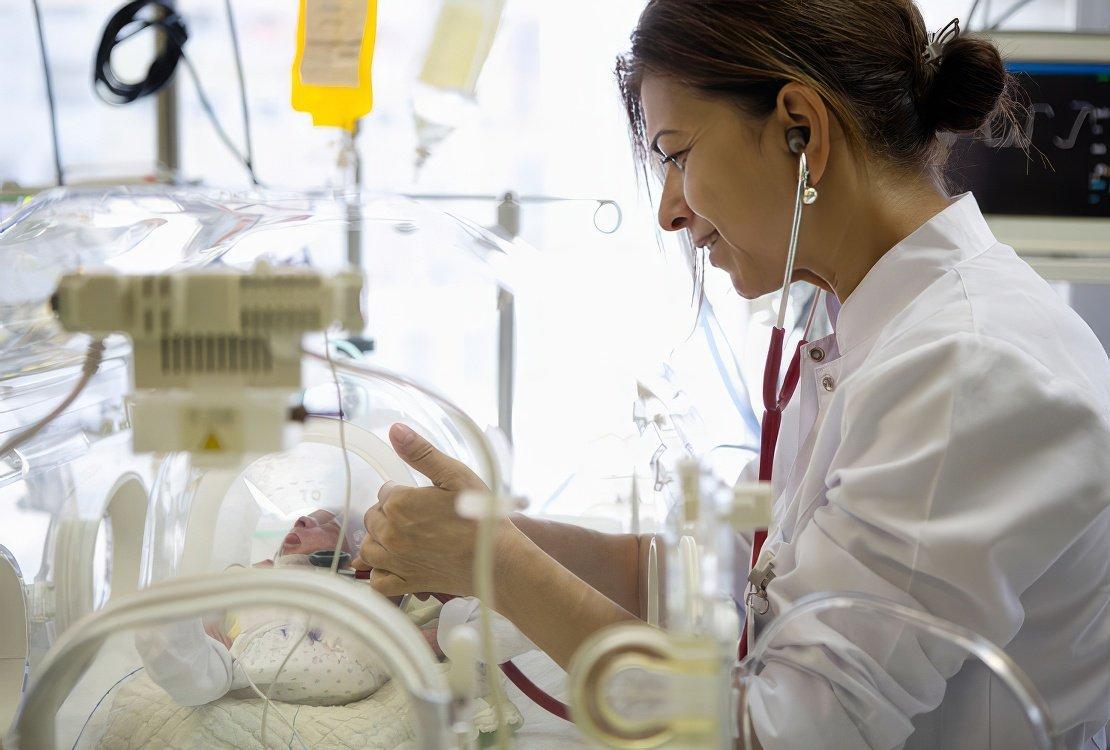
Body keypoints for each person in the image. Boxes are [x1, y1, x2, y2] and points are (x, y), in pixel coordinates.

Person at [353, 1, 1110, 748]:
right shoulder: (870, 326)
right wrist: (491, 537)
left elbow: (780, 732)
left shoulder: (969, 369)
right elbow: (739, 579)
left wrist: (496, 563)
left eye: (677, 156)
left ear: (801, 130)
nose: (670, 213)